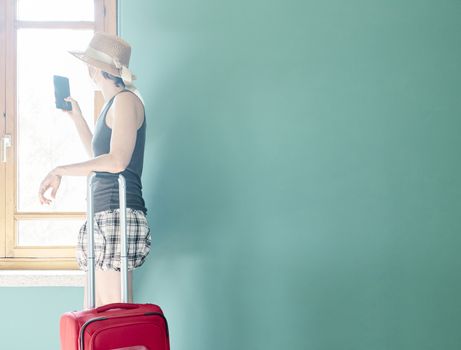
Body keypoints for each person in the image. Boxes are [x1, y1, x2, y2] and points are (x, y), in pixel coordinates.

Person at [38, 32, 151, 308]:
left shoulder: (126, 100)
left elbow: (117, 162)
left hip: (117, 211)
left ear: (95, 69)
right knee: (98, 311)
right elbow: (100, 157)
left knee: (112, 313)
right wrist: (77, 117)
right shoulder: (112, 105)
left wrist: (60, 169)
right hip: (106, 213)